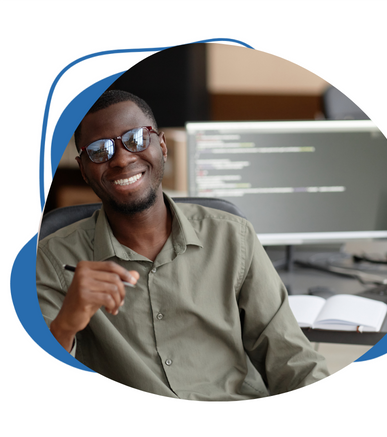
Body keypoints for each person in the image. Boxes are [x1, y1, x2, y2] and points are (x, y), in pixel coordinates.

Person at [37, 90, 329, 401]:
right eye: (99, 150)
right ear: (83, 169)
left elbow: (293, 359)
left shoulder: (233, 237)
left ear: (162, 146)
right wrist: (65, 326)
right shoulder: (53, 260)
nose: (121, 159)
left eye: (136, 139)